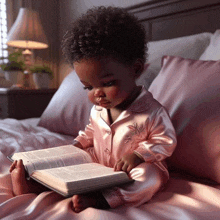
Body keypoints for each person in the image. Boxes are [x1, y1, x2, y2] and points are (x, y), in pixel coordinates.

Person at [10, 6, 177, 213]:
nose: (96, 94)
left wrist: (138, 156)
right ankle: (37, 184)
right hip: (99, 162)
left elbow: (165, 141)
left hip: (132, 168)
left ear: (135, 69)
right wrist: (78, 145)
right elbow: (90, 131)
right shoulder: (98, 109)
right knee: (69, 161)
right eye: (88, 87)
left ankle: (105, 198)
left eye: (107, 83)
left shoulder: (152, 111)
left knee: (150, 177)